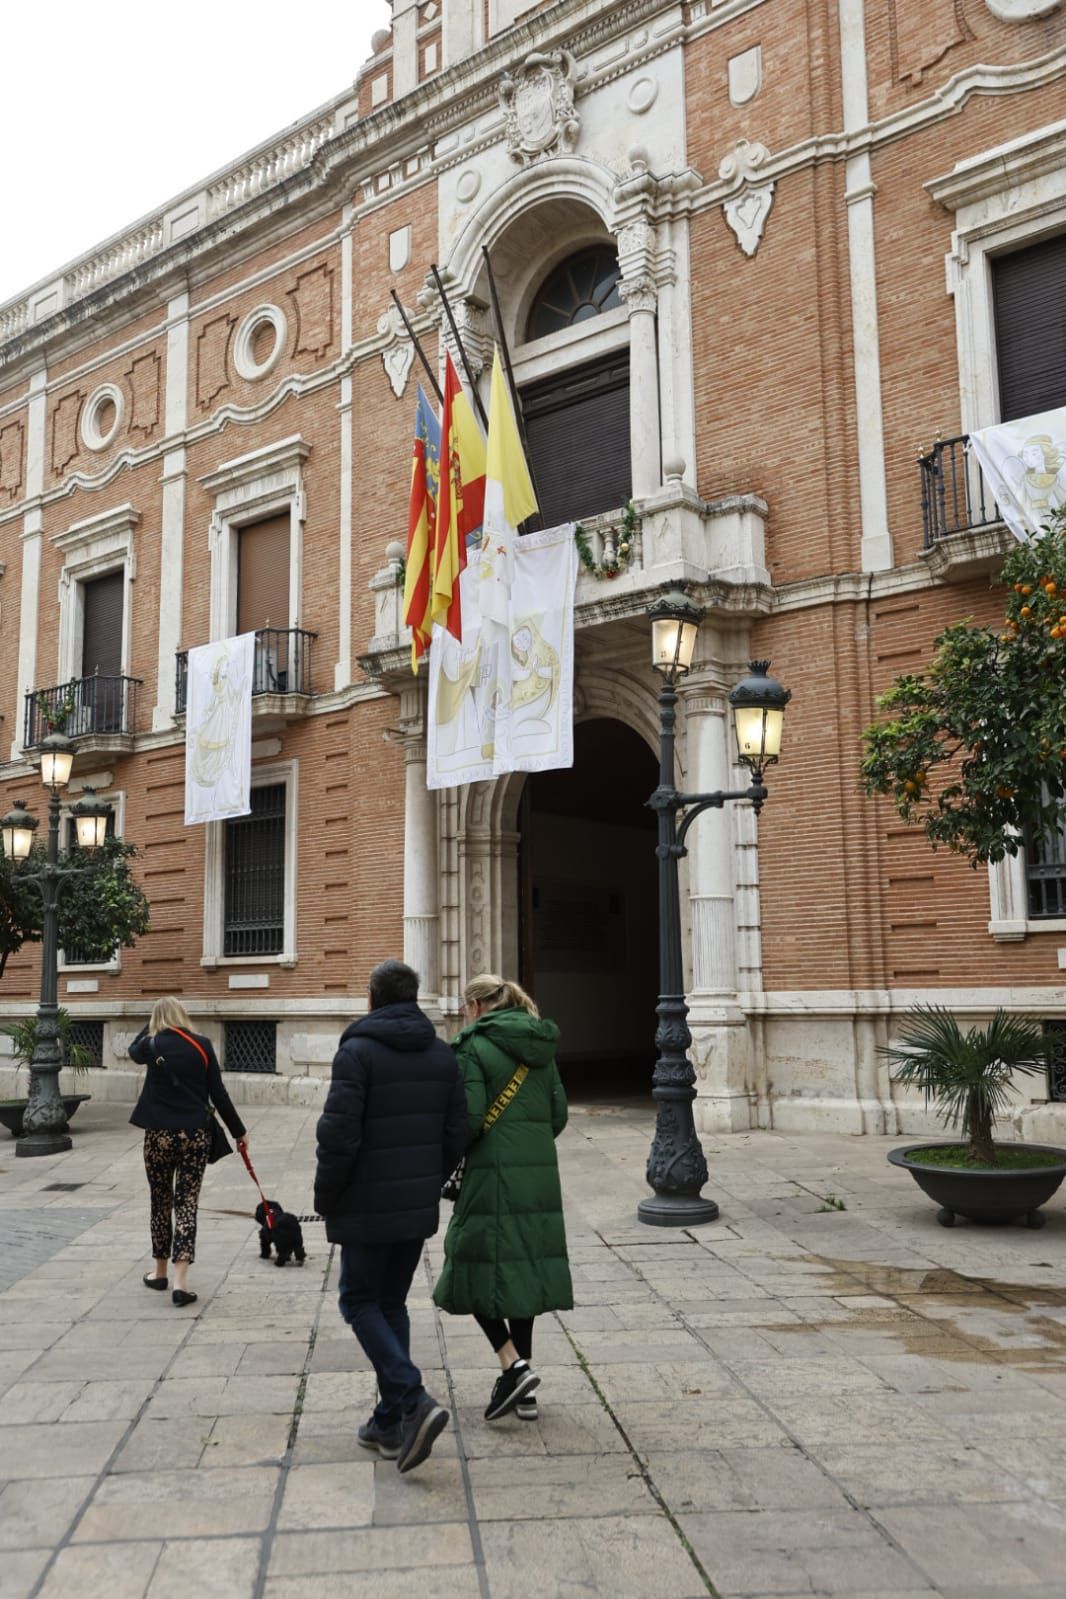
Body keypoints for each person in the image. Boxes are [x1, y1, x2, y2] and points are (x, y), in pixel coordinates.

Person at [314, 958, 467, 1475]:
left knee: (358, 1301)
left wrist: (326, 1196)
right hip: (415, 1205)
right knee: (391, 1302)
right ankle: (389, 1421)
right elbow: (455, 1136)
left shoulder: (356, 1053)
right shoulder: (443, 1057)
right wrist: (428, 1179)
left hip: (363, 1204)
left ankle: (413, 1398)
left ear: (372, 998)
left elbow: (338, 1136)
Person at [433, 973, 572, 1424]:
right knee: (522, 1273)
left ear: (474, 1007)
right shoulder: (539, 1046)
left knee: (466, 1263)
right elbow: (557, 1115)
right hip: (537, 1177)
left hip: (491, 1174)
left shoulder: (472, 1047)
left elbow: (469, 1121)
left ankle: (515, 1365)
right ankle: (523, 1387)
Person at [128, 997, 247, 1308]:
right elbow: (218, 1093)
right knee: (186, 1203)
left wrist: (151, 1024)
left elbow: (132, 1050)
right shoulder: (202, 1044)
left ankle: (159, 1272)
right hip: (195, 1134)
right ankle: (181, 1283)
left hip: (158, 1136)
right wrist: (239, 1132)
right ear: (183, 1016)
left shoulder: (150, 1045)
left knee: (160, 1200)